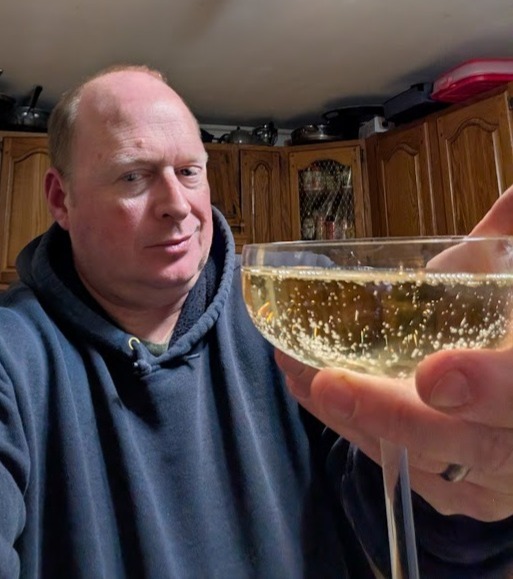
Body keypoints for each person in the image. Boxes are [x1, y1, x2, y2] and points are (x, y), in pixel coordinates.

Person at [0, 63, 511, 578]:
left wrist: (465, 490)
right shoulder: (11, 355)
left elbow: (395, 517)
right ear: (62, 199)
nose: (178, 205)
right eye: (134, 175)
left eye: (189, 171)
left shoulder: (298, 305)